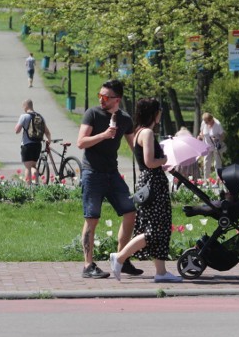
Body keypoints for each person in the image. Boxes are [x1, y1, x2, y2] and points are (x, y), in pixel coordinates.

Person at [110, 98, 182, 283]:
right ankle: (119, 257)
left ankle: (161, 272)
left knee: (159, 227)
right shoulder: (148, 133)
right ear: (153, 113)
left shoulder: (139, 131)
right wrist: (164, 160)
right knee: (154, 229)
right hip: (153, 183)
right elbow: (150, 162)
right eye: (159, 110)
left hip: (149, 182)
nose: (161, 114)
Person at [76, 79, 140, 279]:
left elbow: (134, 145)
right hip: (92, 173)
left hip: (112, 173)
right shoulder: (92, 114)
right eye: (100, 96)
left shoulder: (125, 119)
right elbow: (81, 142)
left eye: (106, 96)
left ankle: (121, 258)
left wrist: (150, 161)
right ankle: (88, 266)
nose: (101, 99)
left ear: (117, 99)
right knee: (92, 218)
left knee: (130, 212)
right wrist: (103, 135)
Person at [14, 99, 51, 184]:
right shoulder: (40, 117)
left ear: (25, 106)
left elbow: (17, 130)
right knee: (33, 165)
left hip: (27, 145)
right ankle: (36, 184)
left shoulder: (24, 116)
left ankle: (28, 189)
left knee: (28, 167)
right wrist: (49, 141)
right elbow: (47, 132)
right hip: (37, 145)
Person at [198, 112, 226, 183]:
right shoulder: (204, 123)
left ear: (211, 120)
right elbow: (201, 133)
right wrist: (200, 137)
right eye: (205, 122)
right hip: (207, 146)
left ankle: (218, 181)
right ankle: (206, 181)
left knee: (217, 164)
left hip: (216, 147)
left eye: (207, 122)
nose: (206, 123)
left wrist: (217, 139)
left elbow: (223, 136)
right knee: (206, 163)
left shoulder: (217, 124)